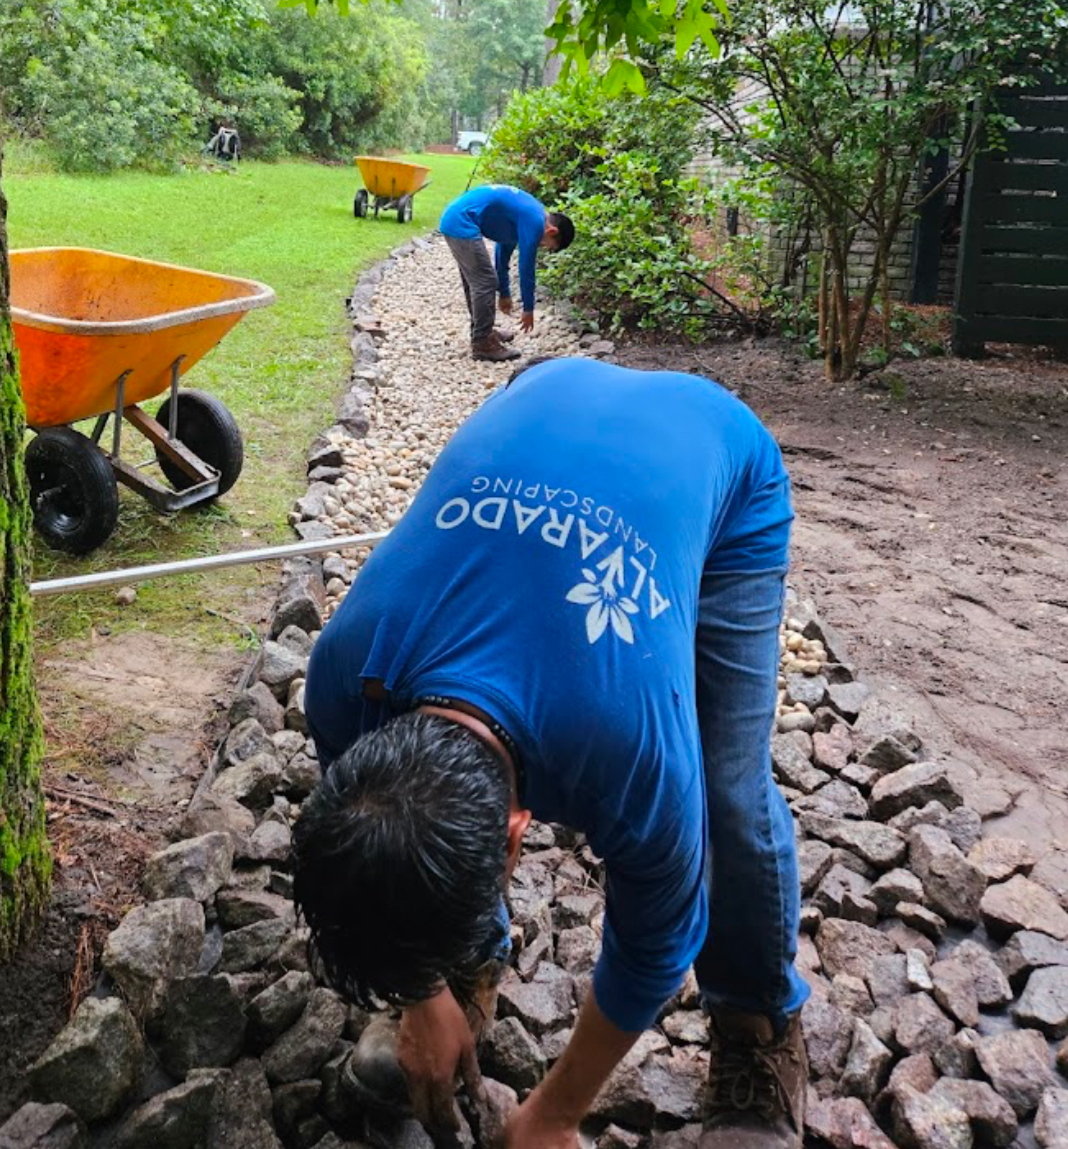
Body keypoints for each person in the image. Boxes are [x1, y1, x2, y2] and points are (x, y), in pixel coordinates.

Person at [294, 357, 807, 1149]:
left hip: (718, 461)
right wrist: (421, 993)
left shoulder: (627, 745)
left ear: (515, 832)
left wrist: (554, 1113)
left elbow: (655, 940)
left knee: (729, 795)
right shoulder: (343, 673)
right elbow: (367, 845)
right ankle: (466, 967)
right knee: (406, 856)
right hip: (543, 396)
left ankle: (755, 1021)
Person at [438, 184, 574, 362]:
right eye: (546, 245)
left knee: (477, 281)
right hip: (461, 222)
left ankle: (483, 332)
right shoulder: (534, 221)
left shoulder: (527, 216)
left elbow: (502, 256)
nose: (540, 246)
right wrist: (528, 308)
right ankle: (482, 343)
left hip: (456, 217)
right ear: (552, 231)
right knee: (485, 282)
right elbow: (527, 268)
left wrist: (505, 293)